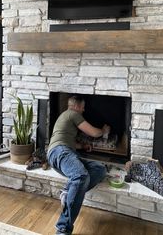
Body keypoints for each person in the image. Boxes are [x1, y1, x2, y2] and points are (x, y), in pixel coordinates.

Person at [47, 95, 111, 235]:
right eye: (82, 107)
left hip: (64, 153)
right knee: (81, 176)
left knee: (100, 169)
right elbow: (93, 132)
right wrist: (104, 131)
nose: (83, 110)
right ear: (76, 106)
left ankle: (68, 191)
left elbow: (68, 141)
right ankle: (63, 228)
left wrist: (82, 146)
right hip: (59, 152)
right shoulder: (72, 113)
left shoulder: (66, 117)